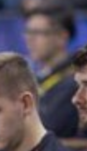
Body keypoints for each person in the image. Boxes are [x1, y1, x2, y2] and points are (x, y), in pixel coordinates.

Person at [23, 7, 80, 138]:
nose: (29, 39)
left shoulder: (75, 81)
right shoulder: (38, 77)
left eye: (37, 32)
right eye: (27, 32)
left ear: (62, 37)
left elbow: (49, 127)